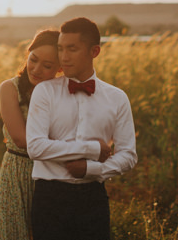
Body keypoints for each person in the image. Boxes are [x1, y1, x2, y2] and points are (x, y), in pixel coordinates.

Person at [26, 17, 137, 240]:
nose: (63, 57)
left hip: (93, 198)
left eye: (72, 49)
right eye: (60, 49)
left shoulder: (117, 98)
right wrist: (92, 150)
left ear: (94, 51)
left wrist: (92, 170)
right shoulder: (45, 92)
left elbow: (128, 155)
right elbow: (35, 147)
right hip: (49, 198)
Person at [0, 28, 62, 240]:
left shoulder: (61, 92)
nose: (37, 69)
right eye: (33, 59)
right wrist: (73, 148)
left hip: (52, 175)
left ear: (59, 68)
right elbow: (20, 139)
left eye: (47, 65)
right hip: (16, 173)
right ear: (28, 54)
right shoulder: (9, 88)